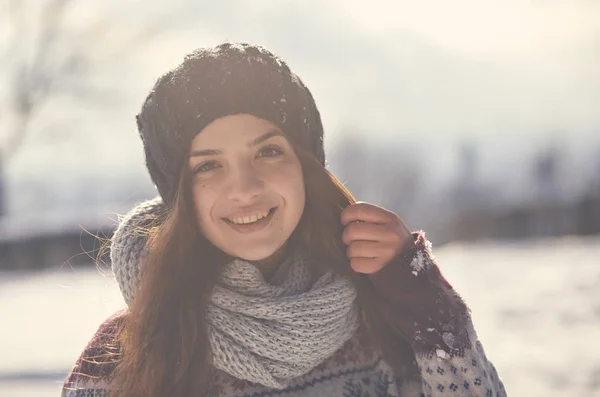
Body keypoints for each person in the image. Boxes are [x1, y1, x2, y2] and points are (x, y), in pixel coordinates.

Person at [62, 42, 507, 397]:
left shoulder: (381, 311)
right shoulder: (125, 355)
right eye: (208, 166)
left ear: (306, 166)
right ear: (179, 196)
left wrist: (424, 302)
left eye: (268, 151)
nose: (246, 187)